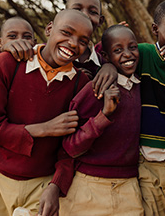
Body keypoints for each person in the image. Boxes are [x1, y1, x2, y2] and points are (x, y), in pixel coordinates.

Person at [93, 0, 165, 215]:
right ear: (156, 29)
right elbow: (113, 54)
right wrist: (107, 65)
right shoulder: (142, 54)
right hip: (145, 161)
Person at [0, 9, 93, 216]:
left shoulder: (80, 84)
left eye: (83, 40)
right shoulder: (7, 64)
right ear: (49, 29)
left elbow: (70, 149)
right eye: (66, 32)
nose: (74, 43)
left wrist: (55, 185)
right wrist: (44, 129)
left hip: (42, 185)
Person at [59, 25, 143, 215]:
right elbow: (71, 147)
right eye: (118, 50)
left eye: (133, 47)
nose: (128, 54)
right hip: (89, 186)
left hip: (129, 187)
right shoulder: (95, 89)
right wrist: (103, 116)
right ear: (105, 56)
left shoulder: (140, 87)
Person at [1, 0, 108, 80]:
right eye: (77, 9)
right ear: (63, 13)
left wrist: (109, 67)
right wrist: (8, 48)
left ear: (100, 20)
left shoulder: (102, 62)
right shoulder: (38, 55)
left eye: (93, 12)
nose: (84, 15)